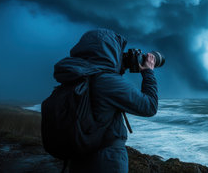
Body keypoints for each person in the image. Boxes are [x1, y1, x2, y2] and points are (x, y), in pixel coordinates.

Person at [53, 28, 158, 173]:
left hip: (79, 155)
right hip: (107, 159)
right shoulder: (106, 80)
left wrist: (117, 69)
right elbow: (150, 106)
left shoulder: (76, 76)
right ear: (110, 51)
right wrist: (148, 72)